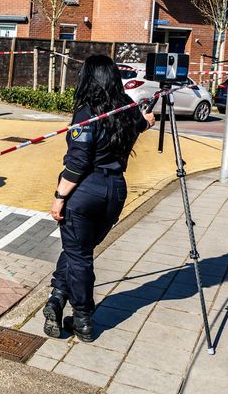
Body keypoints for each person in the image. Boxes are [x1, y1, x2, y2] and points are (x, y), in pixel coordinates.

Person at [44, 55, 155, 342]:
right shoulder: (128, 107)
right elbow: (140, 125)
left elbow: (78, 162)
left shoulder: (87, 113)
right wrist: (146, 121)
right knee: (79, 250)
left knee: (80, 255)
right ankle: (55, 300)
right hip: (115, 192)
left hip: (85, 191)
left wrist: (59, 197)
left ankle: (83, 318)